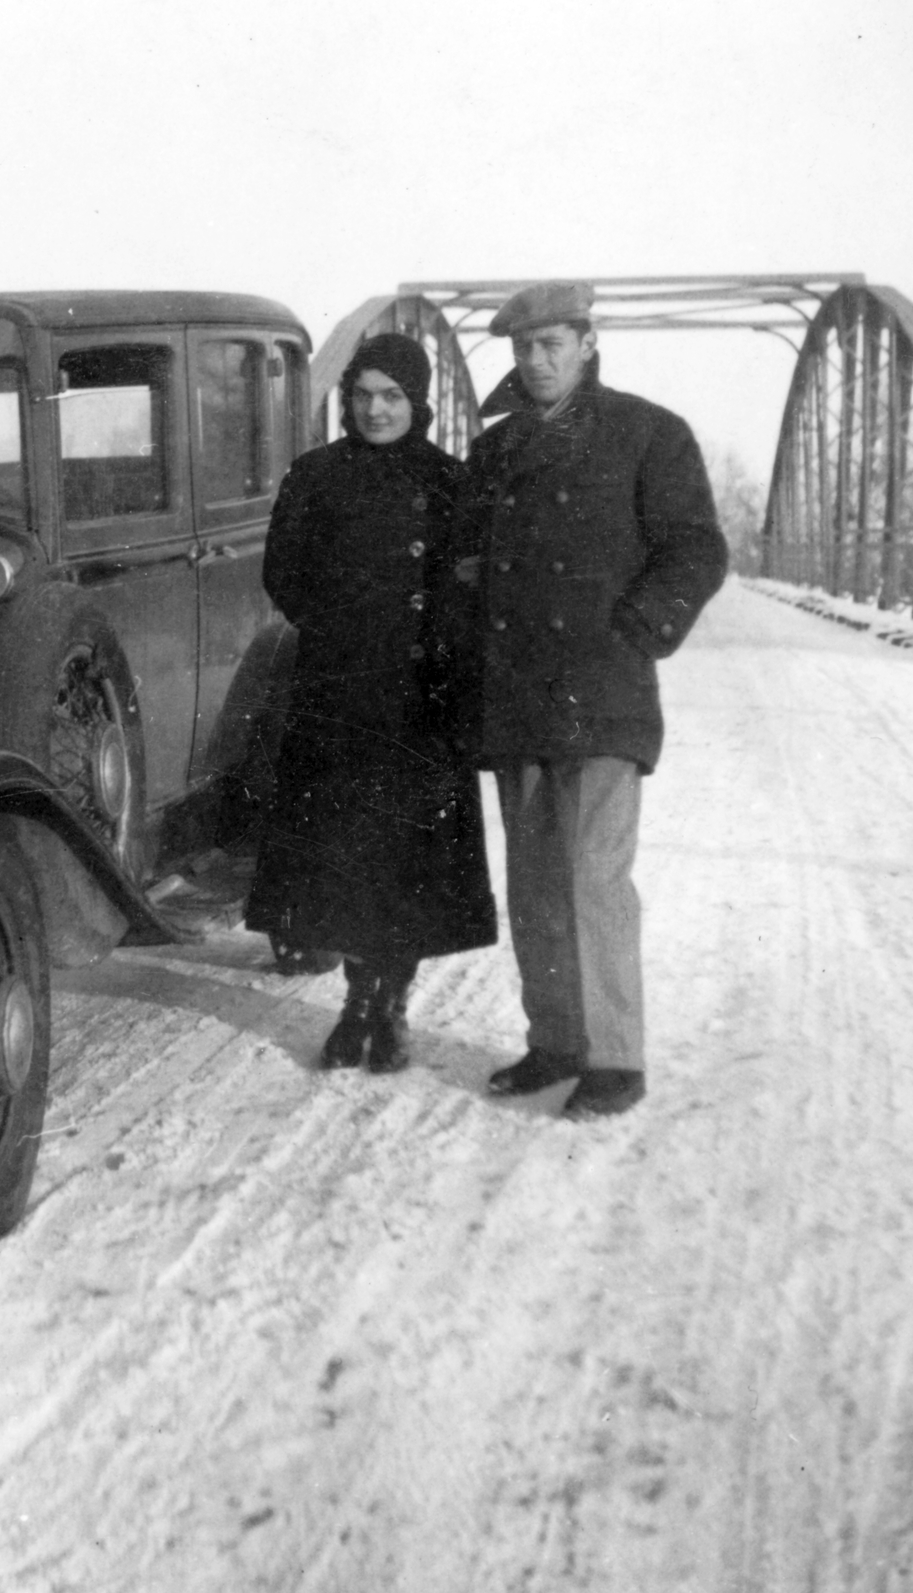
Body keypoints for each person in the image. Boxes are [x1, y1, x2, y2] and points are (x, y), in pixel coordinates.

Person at [452, 281, 728, 1117]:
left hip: (603, 691)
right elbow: (465, 566)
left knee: (594, 876)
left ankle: (615, 1056)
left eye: (552, 345)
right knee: (535, 880)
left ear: (587, 342)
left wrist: (637, 627)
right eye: (523, 348)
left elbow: (695, 549)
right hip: (517, 695)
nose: (536, 362)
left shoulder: (649, 433)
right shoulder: (493, 454)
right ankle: (556, 1041)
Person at [245, 332, 498, 1073]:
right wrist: (341, 625)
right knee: (344, 858)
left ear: (416, 401)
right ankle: (356, 999)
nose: (375, 409)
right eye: (362, 396)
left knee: (408, 861)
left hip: (422, 698)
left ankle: (391, 1002)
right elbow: (283, 576)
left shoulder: (451, 481)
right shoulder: (315, 475)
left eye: (391, 396)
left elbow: (471, 587)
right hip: (342, 694)